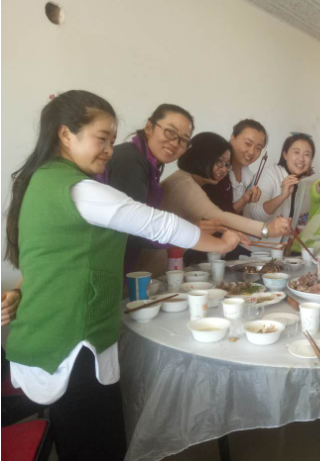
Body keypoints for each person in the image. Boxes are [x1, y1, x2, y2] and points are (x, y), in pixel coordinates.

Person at [3, 91, 247, 461]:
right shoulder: (80, 190)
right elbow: (158, 224)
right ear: (66, 134)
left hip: (48, 330)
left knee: (83, 442)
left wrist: (20, 290)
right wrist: (222, 243)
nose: (108, 150)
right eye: (101, 138)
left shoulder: (39, 179)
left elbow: (45, 255)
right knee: (98, 448)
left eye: (112, 140)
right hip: (71, 342)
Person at [98, 103, 201, 274]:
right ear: (149, 127)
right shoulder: (130, 161)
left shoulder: (147, 164)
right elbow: (135, 228)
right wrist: (190, 232)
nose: (175, 143)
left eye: (183, 140)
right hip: (102, 263)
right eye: (170, 132)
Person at [160, 132, 292, 251]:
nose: (223, 169)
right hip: (159, 261)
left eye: (227, 164)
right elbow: (218, 216)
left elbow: (215, 220)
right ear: (202, 156)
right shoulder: (184, 183)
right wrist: (266, 229)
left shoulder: (195, 181)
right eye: (219, 161)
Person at [244, 133, 315, 243]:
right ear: (285, 154)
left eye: (307, 154)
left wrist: (288, 243)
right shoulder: (269, 174)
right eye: (296, 152)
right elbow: (257, 215)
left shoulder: (301, 185)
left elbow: (292, 221)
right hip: (254, 247)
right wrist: (282, 196)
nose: (301, 159)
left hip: (277, 249)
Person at [228, 119, 267, 213]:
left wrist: (246, 199)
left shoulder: (247, 176)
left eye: (258, 148)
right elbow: (217, 214)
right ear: (232, 139)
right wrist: (244, 200)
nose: (252, 152)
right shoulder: (219, 170)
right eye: (248, 144)